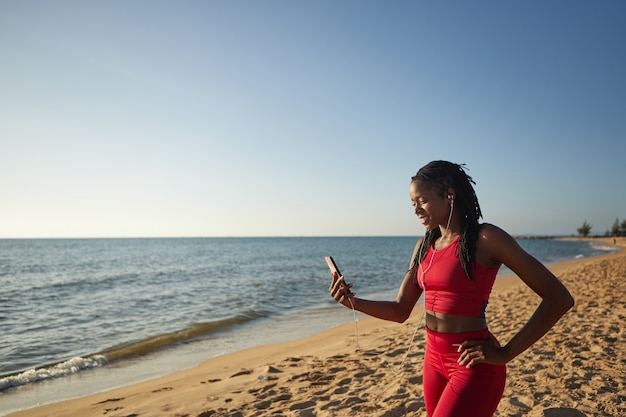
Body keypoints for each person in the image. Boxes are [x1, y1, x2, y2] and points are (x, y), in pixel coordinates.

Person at [329, 160, 574, 417]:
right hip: (433, 360)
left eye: (422, 200)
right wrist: (352, 302)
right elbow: (400, 310)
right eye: (412, 203)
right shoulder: (423, 247)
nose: (416, 210)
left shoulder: (486, 238)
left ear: (449, 194)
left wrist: (506, 353)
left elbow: (558, 298)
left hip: (473, 363)